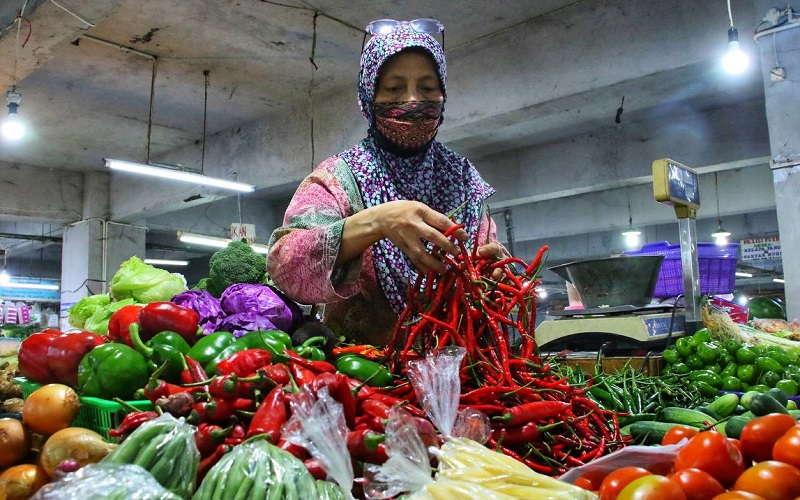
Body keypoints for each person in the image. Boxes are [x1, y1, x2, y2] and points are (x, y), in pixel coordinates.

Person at [267, 19, 506, 346]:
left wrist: (496, 277)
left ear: (443, 93)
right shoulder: (338, 178)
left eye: (426, 87)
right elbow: (287, 270)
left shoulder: (463, 179)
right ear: (369, 95)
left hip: (460, 375)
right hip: (366, 377)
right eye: (394, 88)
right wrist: (376, 221)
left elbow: (488, 275)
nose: (412, 101)